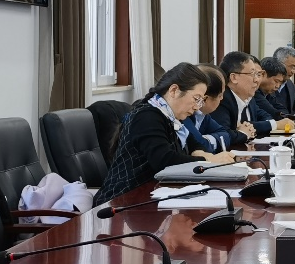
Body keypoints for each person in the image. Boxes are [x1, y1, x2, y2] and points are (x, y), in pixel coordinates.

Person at [94, 63, 236, 205]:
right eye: (196, 99)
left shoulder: (171, 117)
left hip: (151, 197)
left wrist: (203, 154)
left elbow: (194, 143)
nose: (197, 107)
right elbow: (164, 160)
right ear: (174, 90)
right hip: (121, 201)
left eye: (201, 101)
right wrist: (209, 161)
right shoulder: (147, 116)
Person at [212, 51, 289, 147]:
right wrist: (244, 133)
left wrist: (249, 127)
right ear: (234, 77)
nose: (257, 80)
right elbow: (224, 136)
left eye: (258, 74)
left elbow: (266, 117)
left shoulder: (249, 97)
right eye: (252, 74)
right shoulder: (221, 99)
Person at [184, 64, 235, 154]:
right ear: (205, 98)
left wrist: (206, 139)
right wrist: (205, 141)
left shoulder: (202, 115)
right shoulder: (184, 114)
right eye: (220, 95)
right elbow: (200, 145)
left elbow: (225, 135)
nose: (222, 98)